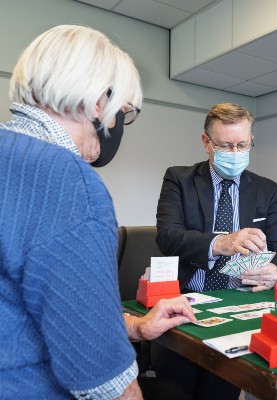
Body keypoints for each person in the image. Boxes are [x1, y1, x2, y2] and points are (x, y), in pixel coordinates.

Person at [0, 25, 195, 399]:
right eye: (124, 111)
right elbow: (103, 377)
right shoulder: (70, 182)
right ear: (97, 103)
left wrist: (134, 327)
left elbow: (32, 303)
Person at [154, 102, 277, 399]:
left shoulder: (266, 190)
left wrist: (275, 270)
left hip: (238, 307)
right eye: (225, 145)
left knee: (221, 392)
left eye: (242, 144)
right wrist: (221, 242)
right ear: (206, 143)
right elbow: (168, 236)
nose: (235, 153)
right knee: (174, 390)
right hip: (185, 303)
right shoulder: (179, 179)